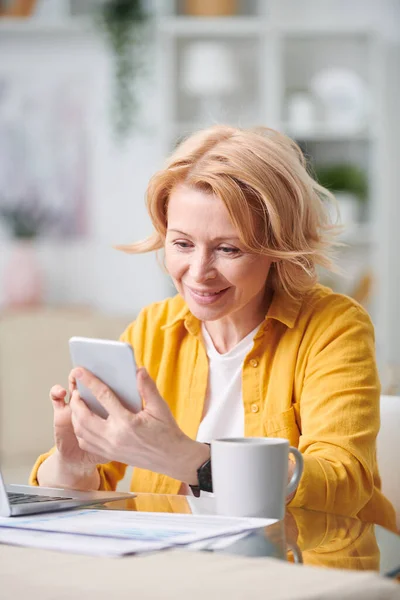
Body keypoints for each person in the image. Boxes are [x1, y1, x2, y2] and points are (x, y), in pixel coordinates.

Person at [30, 125, 396, 531]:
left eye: (228, 249)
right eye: (182, 244)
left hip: (308, 571)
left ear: (278, 247)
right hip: (184, 571)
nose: (199, 273)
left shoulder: (332, 327)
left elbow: (342, 485)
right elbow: (82, 491)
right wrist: (73, 464)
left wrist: (187, 460)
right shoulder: (153, 329)